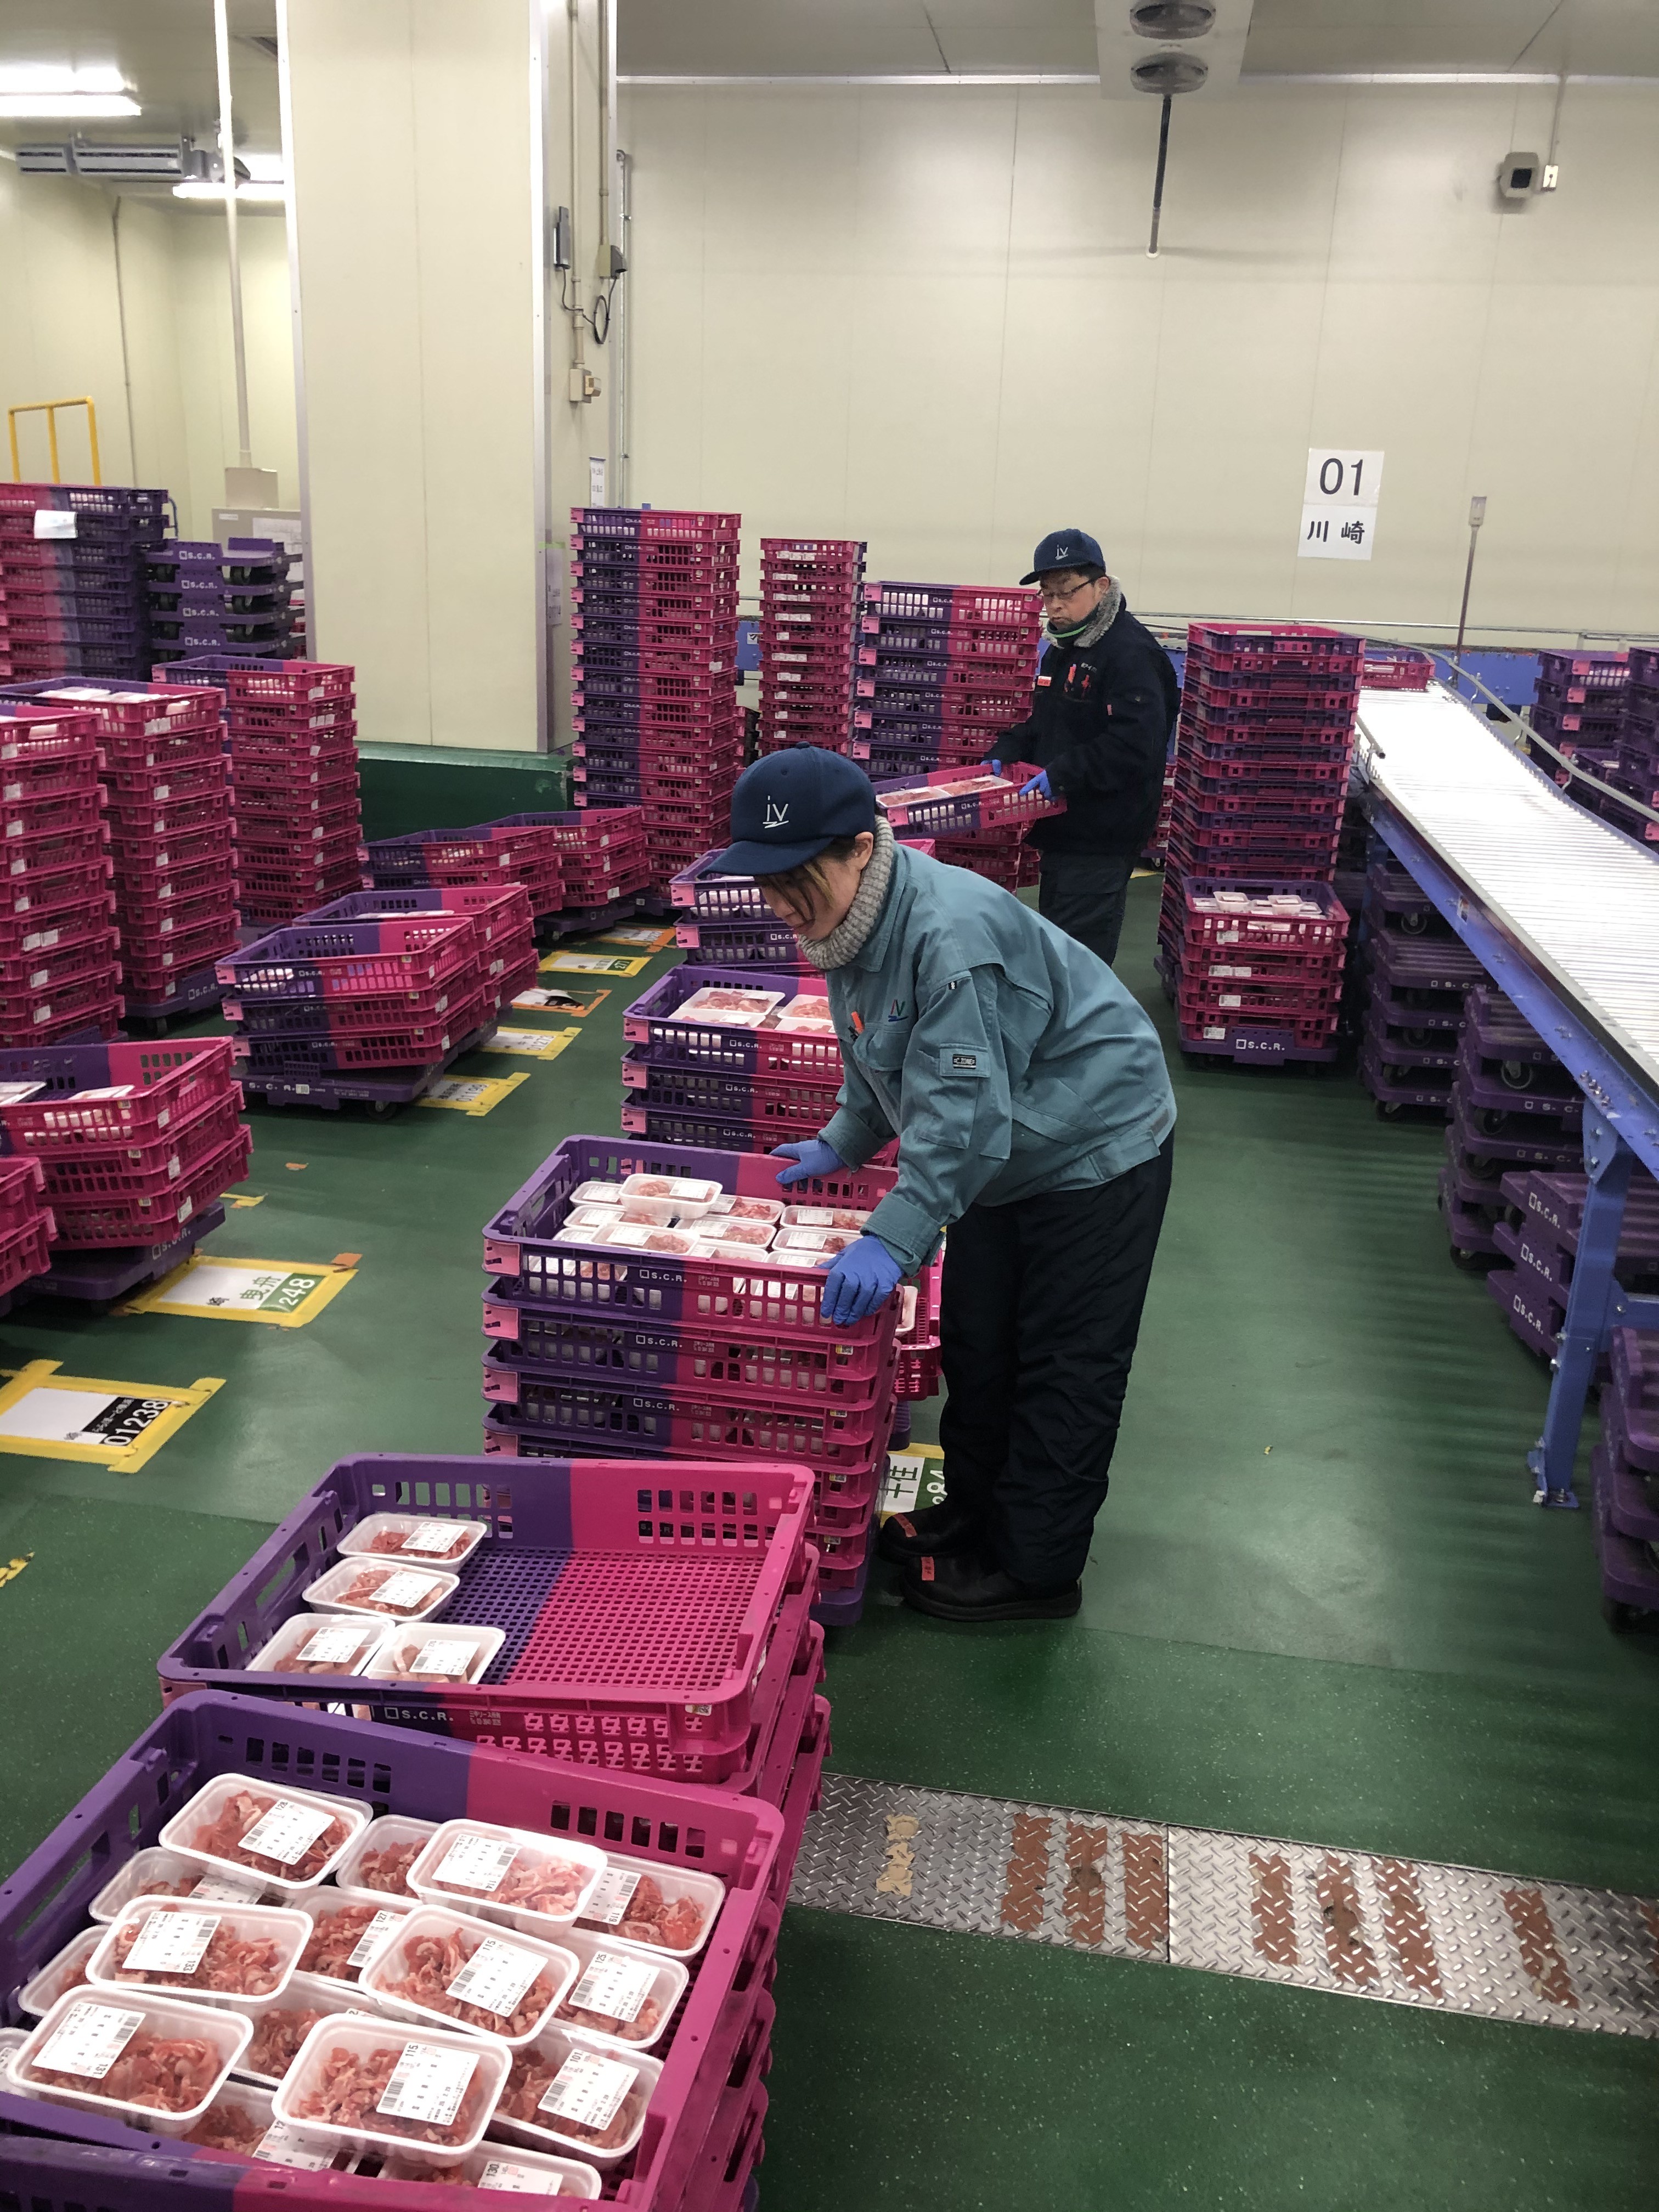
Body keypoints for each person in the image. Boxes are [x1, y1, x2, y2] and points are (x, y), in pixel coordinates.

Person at [712, 743, 1176, 1625]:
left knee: (1062, 1363)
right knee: (979, 1341)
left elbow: (961, 1113)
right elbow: (875, 1044)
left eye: (793, 875)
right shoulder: (850, 920)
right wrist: (847, 1135)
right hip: (1008, 1150)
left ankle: (1036, 1571)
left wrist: (895, 1232)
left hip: (1094, 1141)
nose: (777, 902)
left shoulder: (947, 935)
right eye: (763, 880)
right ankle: (971, 1513)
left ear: (858, 846)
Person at [989, 527, 1179, 968]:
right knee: (1059, 941)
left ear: (1101, 587)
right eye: (1047, 594)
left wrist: (1064, 773)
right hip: (1064, 825)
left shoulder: (1130, 654)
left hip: (1102, 831)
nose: (1054, 606)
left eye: (1066, 593)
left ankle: (1086, 1035)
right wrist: (1010, 746)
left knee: (1079, 958)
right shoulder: (1065, 647)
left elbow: (1138, 745)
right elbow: (1050, 722)